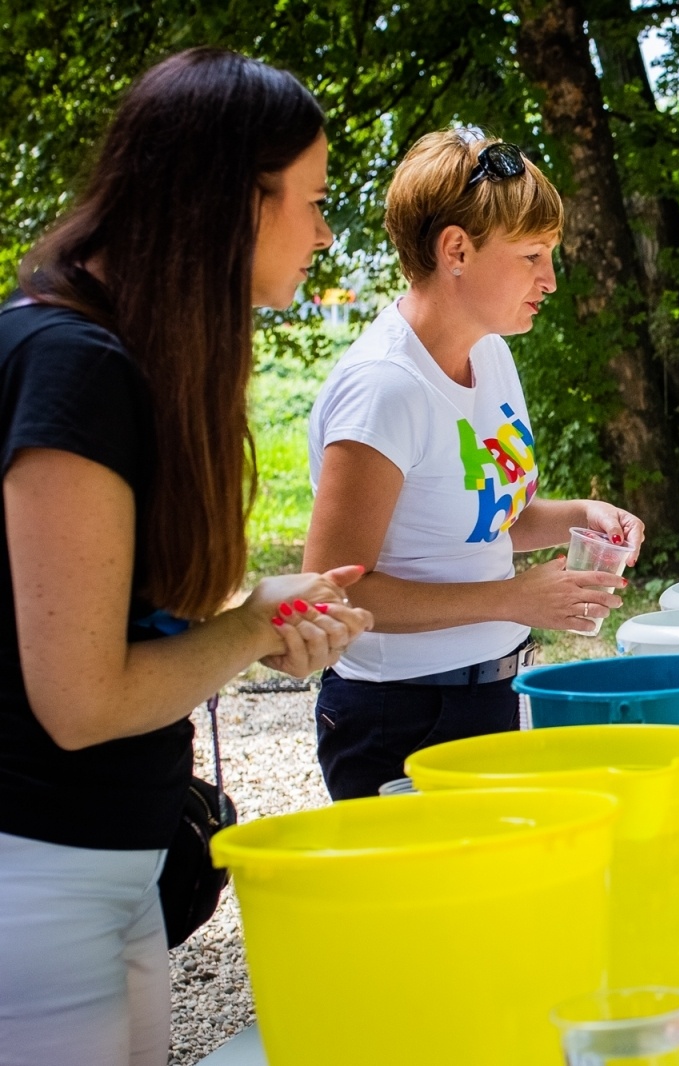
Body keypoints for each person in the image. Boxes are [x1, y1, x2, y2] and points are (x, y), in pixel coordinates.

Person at [0, 49, 374, 1066]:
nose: (325, 233)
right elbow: (80, 701)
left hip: (110, 860)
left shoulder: (119, 355)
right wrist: (251, 625)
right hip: (38, 877)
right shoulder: (72, 367)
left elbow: (119, 621)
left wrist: (256, 627)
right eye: (313, 201)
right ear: (237, 200)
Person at [302, 129, 642, 801]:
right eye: (532, 255)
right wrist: (512, 598)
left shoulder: (490, 354)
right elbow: (332, 592)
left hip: (492, 694)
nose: (550, 279)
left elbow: (483, 522)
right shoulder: (385, 387)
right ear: (456, 250)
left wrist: (584, 515)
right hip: (401, 715)